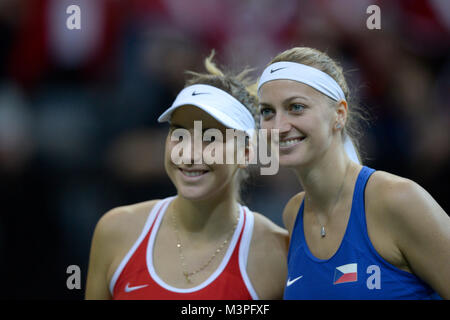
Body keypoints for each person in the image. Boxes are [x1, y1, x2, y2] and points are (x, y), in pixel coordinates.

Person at [85, 53, 288, 300]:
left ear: (246, 152)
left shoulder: (279, 254)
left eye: (210, 138)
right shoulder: (115, 230)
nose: (189, 154)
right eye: (180, 134)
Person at [256, 47, 450, 299]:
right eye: (267, 112)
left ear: (339, 114)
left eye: (296, 107)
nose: (278, 127)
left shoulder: (397, 199)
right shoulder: (293, 213)